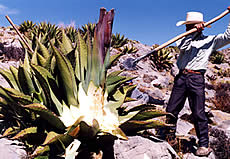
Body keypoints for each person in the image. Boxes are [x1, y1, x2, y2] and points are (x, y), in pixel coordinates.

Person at [166, 7, 230, 157]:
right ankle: (168, 138)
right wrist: (192, 33)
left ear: (201, 26)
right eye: (188, 26)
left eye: (192, 25)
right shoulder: (183, 38)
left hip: (196, 79)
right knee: (171, 109)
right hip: (181, 77)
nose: (189, 28)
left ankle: (203, 145)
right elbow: (182, 46)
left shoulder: (210, 41)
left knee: (199, 112)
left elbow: (228, 36)